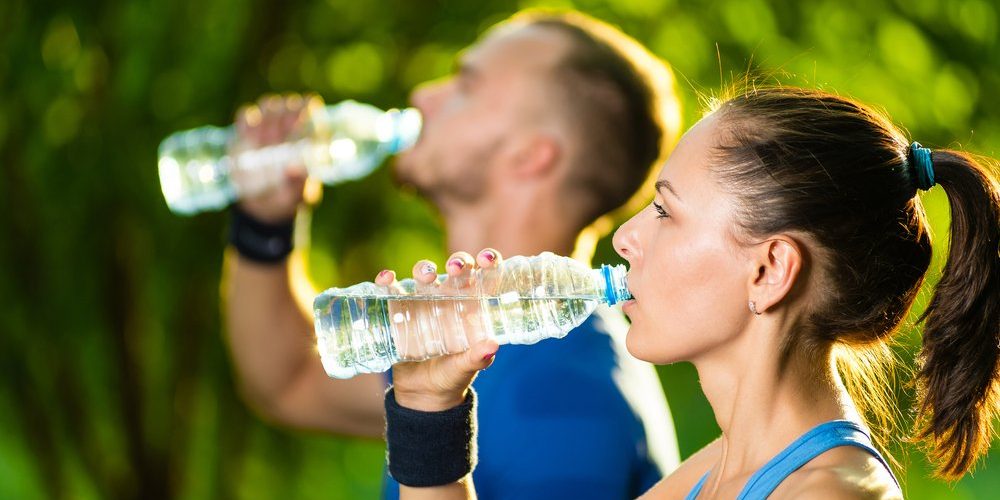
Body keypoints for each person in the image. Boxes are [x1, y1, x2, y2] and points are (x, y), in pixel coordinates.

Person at [381, 86, 1000, 499]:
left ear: (769, 271)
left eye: (664, 211)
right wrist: (428, 409)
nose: (624, 237)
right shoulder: (717, 469)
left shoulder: (828, 494)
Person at [222, 10, 684, 500]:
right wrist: (264, 224)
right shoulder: (482, 331)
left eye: (466, 84)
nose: (423, 95)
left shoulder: (562, 400)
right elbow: (290, 382)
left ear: (531, 154)